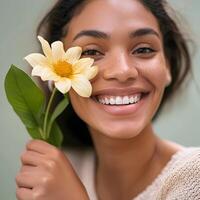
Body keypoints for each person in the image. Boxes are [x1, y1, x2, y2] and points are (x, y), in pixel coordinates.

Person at [15, 0, 200, 199]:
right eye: (91, 52)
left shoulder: (193, 178)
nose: (122, 71)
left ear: (168, 66)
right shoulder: (58, 173)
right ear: (54, 73)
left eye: (144, 49)